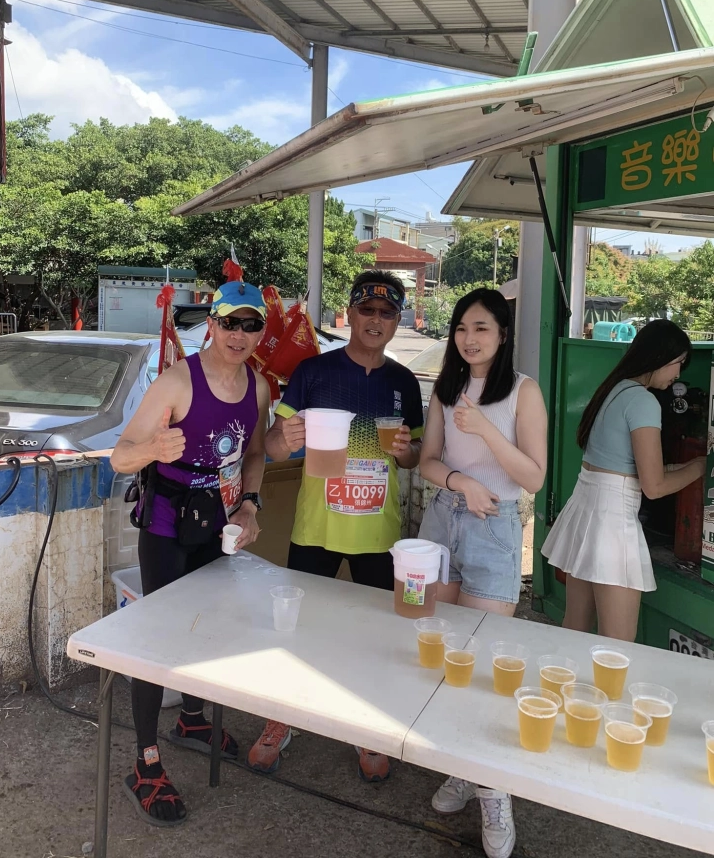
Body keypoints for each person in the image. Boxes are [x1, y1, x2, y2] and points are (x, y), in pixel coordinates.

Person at [249, 270, 424, 782]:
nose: (375, 321)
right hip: (316, 528)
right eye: (366, 311)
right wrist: (286, 435)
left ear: (398, 321)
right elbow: (273, 445)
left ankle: (366, 727)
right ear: (350, 315)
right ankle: (280, 720)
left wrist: (406, 450)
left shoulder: (404, 382)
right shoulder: (313, 372)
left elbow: (412, 457)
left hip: (378, 532)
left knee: (375, 635)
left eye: (386, 312)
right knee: (299, 628)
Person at [110, 280, 271, 827]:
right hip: (165, 524)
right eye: (231, 322)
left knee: (208, 624)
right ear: (213, 324)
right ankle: (145, 762)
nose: (240, 334)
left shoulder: (260, 387)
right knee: (159, 639)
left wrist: (250, 506)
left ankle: (194, 720)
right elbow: (119, 456)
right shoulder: (178, 382)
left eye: (253, 324)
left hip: (218, 520)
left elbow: (253, 454)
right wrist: (154, 448)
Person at [418, 287, 547, 858]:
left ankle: (494, 790)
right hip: (444, 521)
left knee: (488, 665)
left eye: (482, 329)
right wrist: (459, 481)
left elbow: (535, 477)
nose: (469, 340)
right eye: (462, 329)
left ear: (502, 335)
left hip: (495, 526)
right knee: (442, 658)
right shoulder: (445, 389)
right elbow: (427, 460)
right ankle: (461, 765)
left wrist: (486, 430)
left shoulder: (523, 391)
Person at [542, 319, 705, 642]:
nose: (678, 375)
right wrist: (701, 467)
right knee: (617, 647)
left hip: (585, 513)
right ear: (659, 357)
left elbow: (628, 467)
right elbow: (654, 486)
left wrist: (679, 467)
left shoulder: (615, 389)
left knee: (574, 630)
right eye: (678, 364)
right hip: (612, 525)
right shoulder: (643, 401)